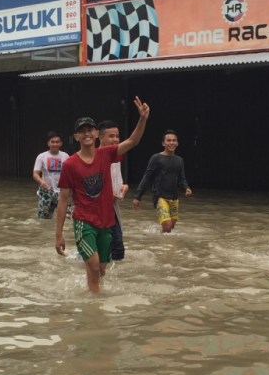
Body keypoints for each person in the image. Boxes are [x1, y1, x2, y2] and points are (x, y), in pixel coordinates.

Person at [55, 97, 150, 293]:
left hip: (106, 222)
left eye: (90, 130)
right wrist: (58, 235)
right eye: (82, 131)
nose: (87, 133)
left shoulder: (106, 154)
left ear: (97, 134)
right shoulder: (70, 164)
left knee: (102, 269)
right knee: (95, 264)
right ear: (76, 137)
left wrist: (142, 119)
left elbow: (133, 141)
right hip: (84, 221)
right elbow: (63, 199)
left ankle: (92, 299)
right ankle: (95, 307)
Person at [132, 130, 192, 233]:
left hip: (174, 197)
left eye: (174, 140)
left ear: (177, 143)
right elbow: (147, 177)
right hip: (160, 197)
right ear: (163, 143)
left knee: (170, 228)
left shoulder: (179, 160)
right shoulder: (156, 158)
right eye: (168, 140)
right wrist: (138, 196)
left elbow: (182, 178)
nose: (171, 143)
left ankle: (164, 245)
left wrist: (187, 188)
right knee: (167, 226)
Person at [98, 119, 129, 261]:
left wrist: (123, 187)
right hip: (98, 209)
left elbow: (117, 179)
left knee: (117, 249)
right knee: (109, 247)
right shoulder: (96, 156)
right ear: (100, 136)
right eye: (111, 136)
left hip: (112, 206)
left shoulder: (117, 156)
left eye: (117, 136)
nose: (115, 139)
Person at [33, 131, 69, 220]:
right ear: (48, 143)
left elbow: (70, 174)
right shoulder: (41, 156)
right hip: (47, 191)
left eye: (57, 142)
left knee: (67, 218)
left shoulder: (66, 156)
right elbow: (35, 174)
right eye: (52, 142)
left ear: (61, 143)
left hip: (62, 192)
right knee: (44, 220)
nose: (55, 144)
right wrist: (42, 182)